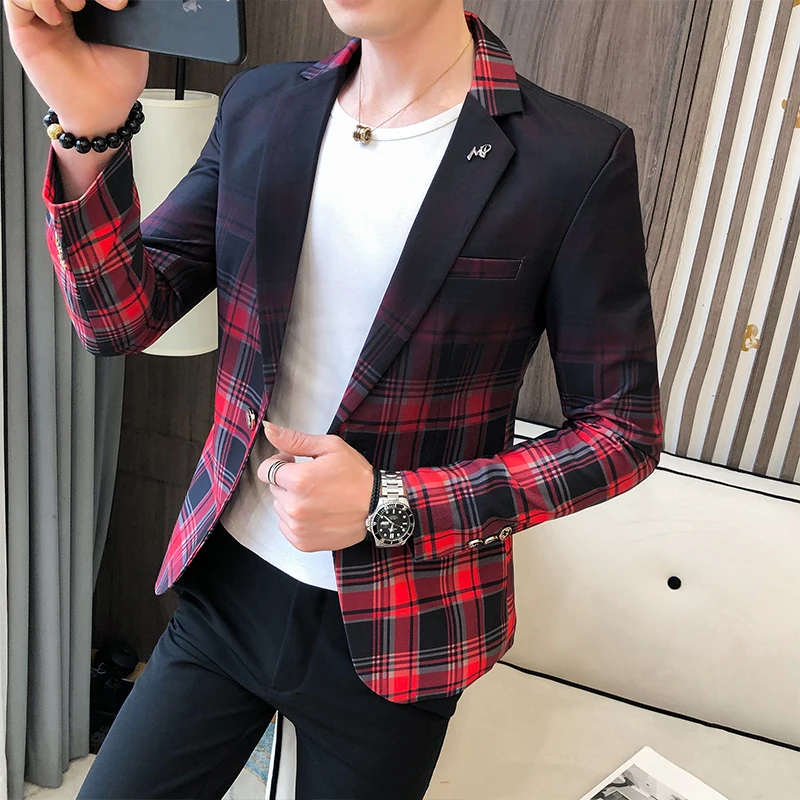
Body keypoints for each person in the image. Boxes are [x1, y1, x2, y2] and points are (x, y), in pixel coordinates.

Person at [7, 0, 664, 797]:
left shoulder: (571, 157)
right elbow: (120, 320)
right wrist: (90, 130)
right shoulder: (263, 105)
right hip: (230, 587)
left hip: (408, 628)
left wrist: (392, 504)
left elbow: (622, 434)